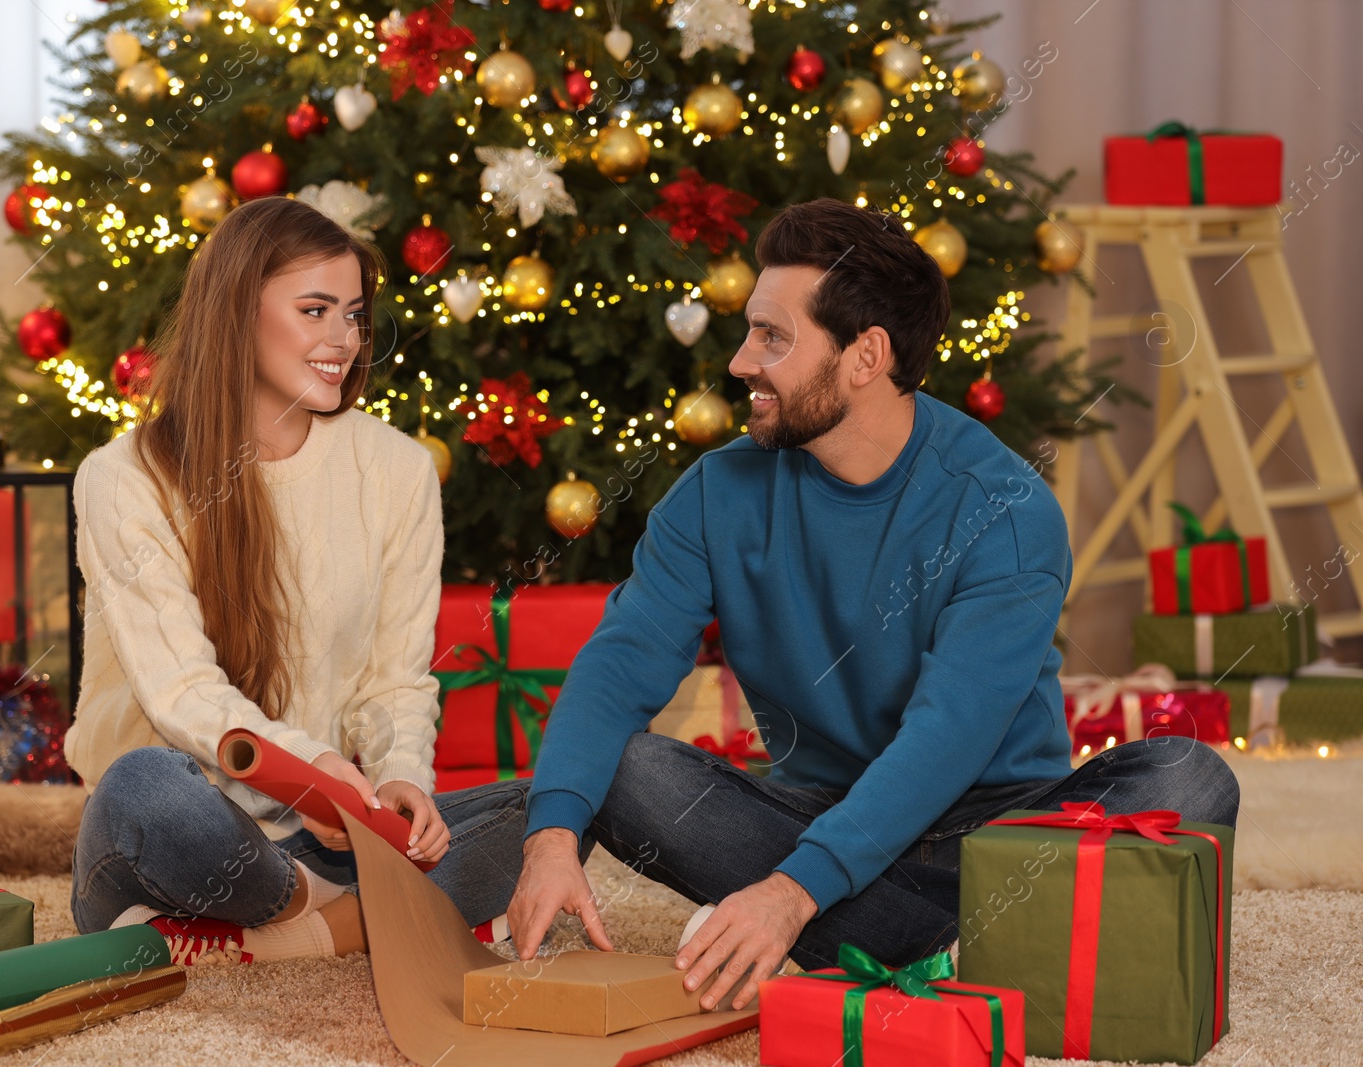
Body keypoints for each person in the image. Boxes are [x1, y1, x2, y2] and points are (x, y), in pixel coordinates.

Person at [507, 198, 1240, 1012]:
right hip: (821, 808)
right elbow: (619, 665)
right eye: (751, 330)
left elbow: (946, 738)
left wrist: (788, 893)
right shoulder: (717, 493)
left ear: (865, 356)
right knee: (629, 771)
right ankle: (951, 943)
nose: (742, 361)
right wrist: (550, 837)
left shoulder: (1003, 508)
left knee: (1186, 774)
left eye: (773, 337)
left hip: (995, 829)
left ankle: (866, 932)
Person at [64, 197, 527, 966]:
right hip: (188, 828)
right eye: (315, 310)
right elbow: (178, 690)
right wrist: (311, 776)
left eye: (354, 315)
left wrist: (401, 778)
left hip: (331, 833)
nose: (342, 340)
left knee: (537, 810)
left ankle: (263, 937)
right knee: (147, 786)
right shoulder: (122, 476)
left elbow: (395, 684)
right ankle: (337, 920)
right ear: (236, 313)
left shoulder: (400, 470)